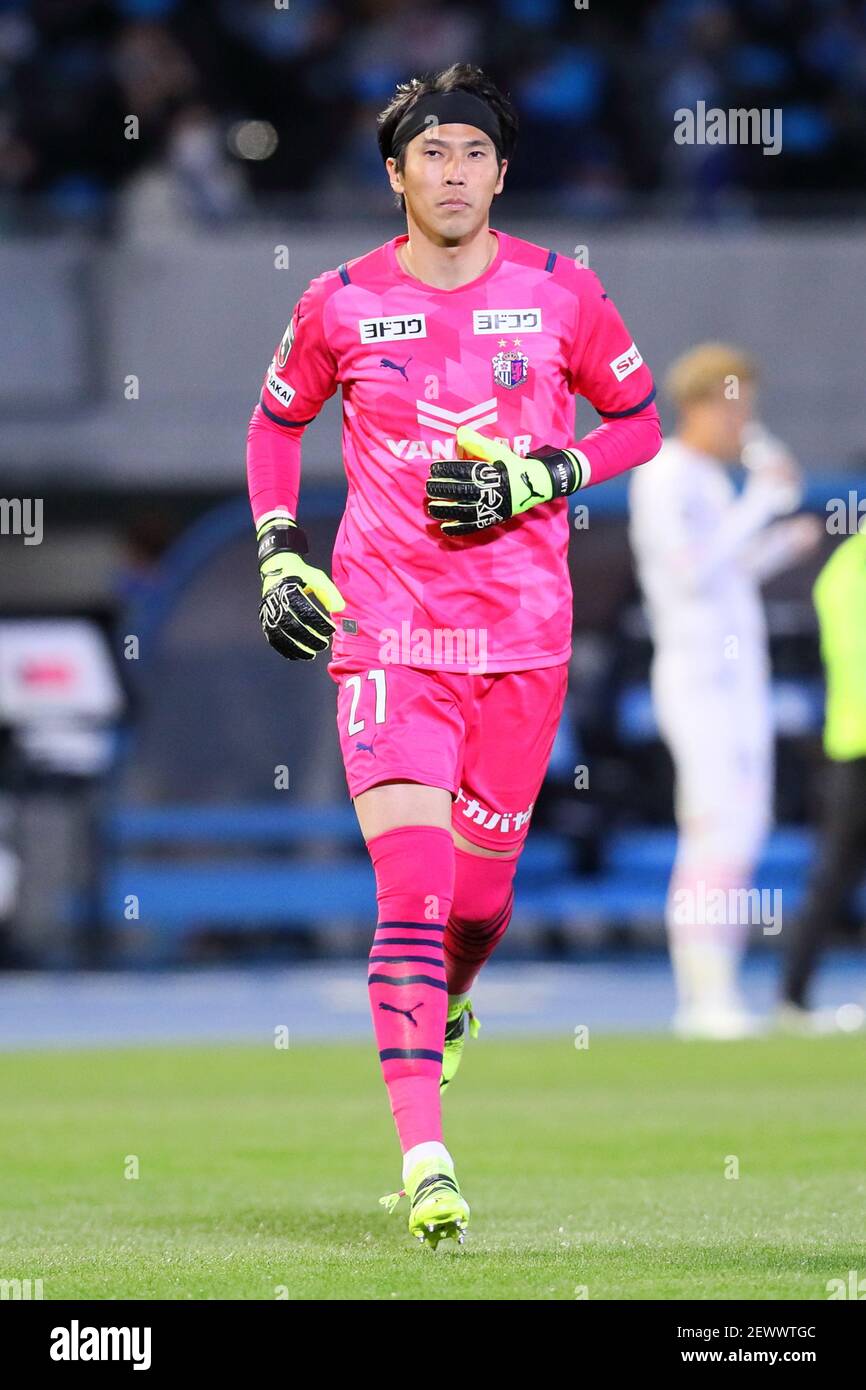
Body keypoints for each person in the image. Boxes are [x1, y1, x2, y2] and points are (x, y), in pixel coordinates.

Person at [246, 63, 661, 1247]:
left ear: (499, 171)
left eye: (472, 153)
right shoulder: (336, 302)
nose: (452, 172)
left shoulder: (563, 293)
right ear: (395, 176)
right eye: (430, 153)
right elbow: (274, 421)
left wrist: (547, 470)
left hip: (522, 643)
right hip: (388, 634)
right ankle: (425, 1154)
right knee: (414, 893)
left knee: (477, 907)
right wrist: (282, 552)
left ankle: (454, 1004)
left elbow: (636, 419)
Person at [628, 344, 821, 1040]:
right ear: (704, 405)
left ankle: (722, 988)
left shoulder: (709, 482)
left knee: (744, 827)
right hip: (698, 676)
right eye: (738, 409)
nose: (744, 424)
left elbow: (729, 570)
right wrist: (764, 499)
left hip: (740, 677)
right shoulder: (666, 476)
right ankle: (702, 996)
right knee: (711, 827)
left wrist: (779, 540)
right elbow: (688, 575)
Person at [779, 521, 866, 1027]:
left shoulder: (841, 568)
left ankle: (792, 996)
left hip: (849, 744)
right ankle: (792, 996)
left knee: (832, 877)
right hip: (856, 744)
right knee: (832, 877)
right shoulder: (849, 571)